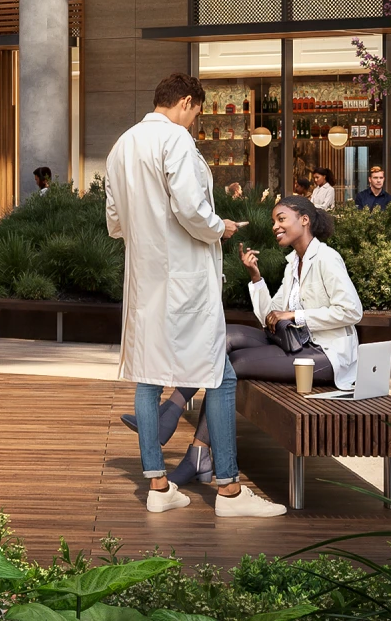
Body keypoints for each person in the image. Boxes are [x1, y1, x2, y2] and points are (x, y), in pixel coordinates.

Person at [105, 72, 284, 518]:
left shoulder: (121, 146)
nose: (195, 123)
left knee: (148, 376)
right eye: (198, 114)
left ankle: (159, 485)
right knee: (219, 375)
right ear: (187, 102)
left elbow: (115, 221)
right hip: (183, 279)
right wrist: (217, 227)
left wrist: (152, 233)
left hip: (144, 280)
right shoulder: (176, 141)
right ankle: (228, 489)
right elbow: (190, 209)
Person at [130, 196, 364, 484]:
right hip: (294, 343)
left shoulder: (327, 258)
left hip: (325, 355)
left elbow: (352, 311)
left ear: (304, 219)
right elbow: (270, 315)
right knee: (223, 336)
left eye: (281, 218)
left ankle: (197, 450)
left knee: (233, 365)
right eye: (273, 222)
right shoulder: (294, 263)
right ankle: (173, 410)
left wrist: (296, 315)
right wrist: (255, 276)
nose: (275, 226)